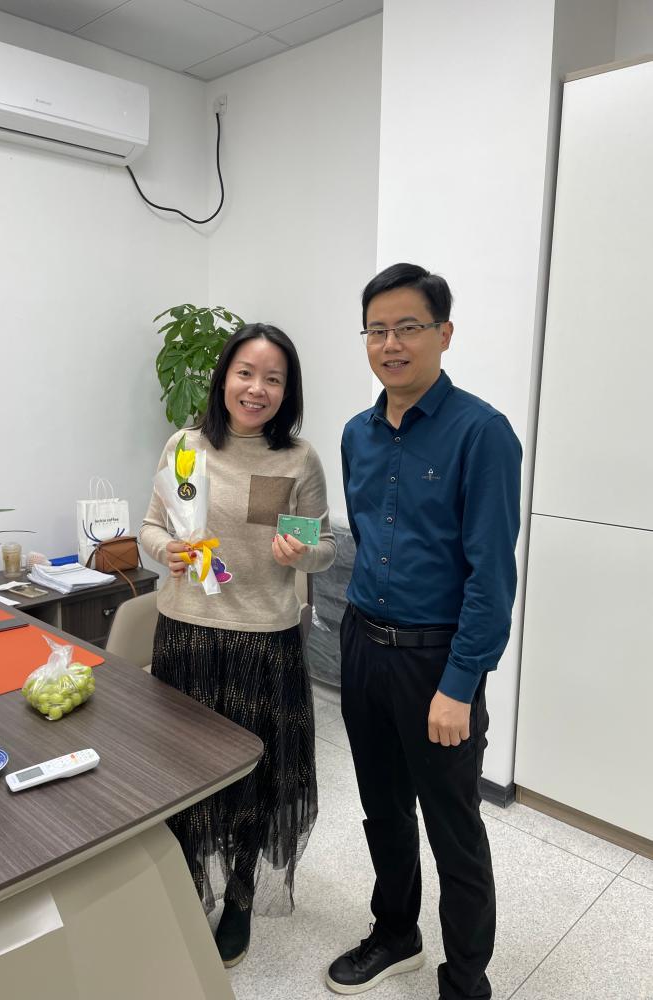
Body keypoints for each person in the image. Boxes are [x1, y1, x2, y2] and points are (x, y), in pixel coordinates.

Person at [327, 264, 521, 999]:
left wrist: (460, 685)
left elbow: (490, 577)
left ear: (444, 333)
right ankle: (396, 932)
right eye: (377, 329)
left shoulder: (482, 433)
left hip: (436, 660)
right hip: (362, 645)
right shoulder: (356, 434)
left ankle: (466, 980)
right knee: (382, 807)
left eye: (408, 326)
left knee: (453, 827)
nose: (391, 343)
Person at [140, 323, 335, 968]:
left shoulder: (297, 459)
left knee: (253, 776)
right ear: (224, 377)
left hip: (263, 642)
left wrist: (305, 552)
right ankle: (187, 884)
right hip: (187, 634)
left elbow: (325, 547)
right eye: (245, 373)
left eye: (273, 379)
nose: (256, 389)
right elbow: (151, 526)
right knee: (184, 773)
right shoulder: (185, 446)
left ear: (287, 390)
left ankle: (241, 898)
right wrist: (164, 550)